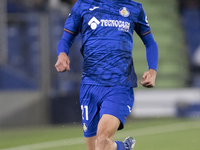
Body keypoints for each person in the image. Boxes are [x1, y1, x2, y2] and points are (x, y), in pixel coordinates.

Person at [55, 0, 158, 150]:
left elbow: (150, 43)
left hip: (119, 85)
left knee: (102, 140)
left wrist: (152, 70)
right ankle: (122, 147)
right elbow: (65, 39)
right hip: (89, 86)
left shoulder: (133, 7)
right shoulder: (83, 5)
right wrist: (62, 54)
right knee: (95, 147)